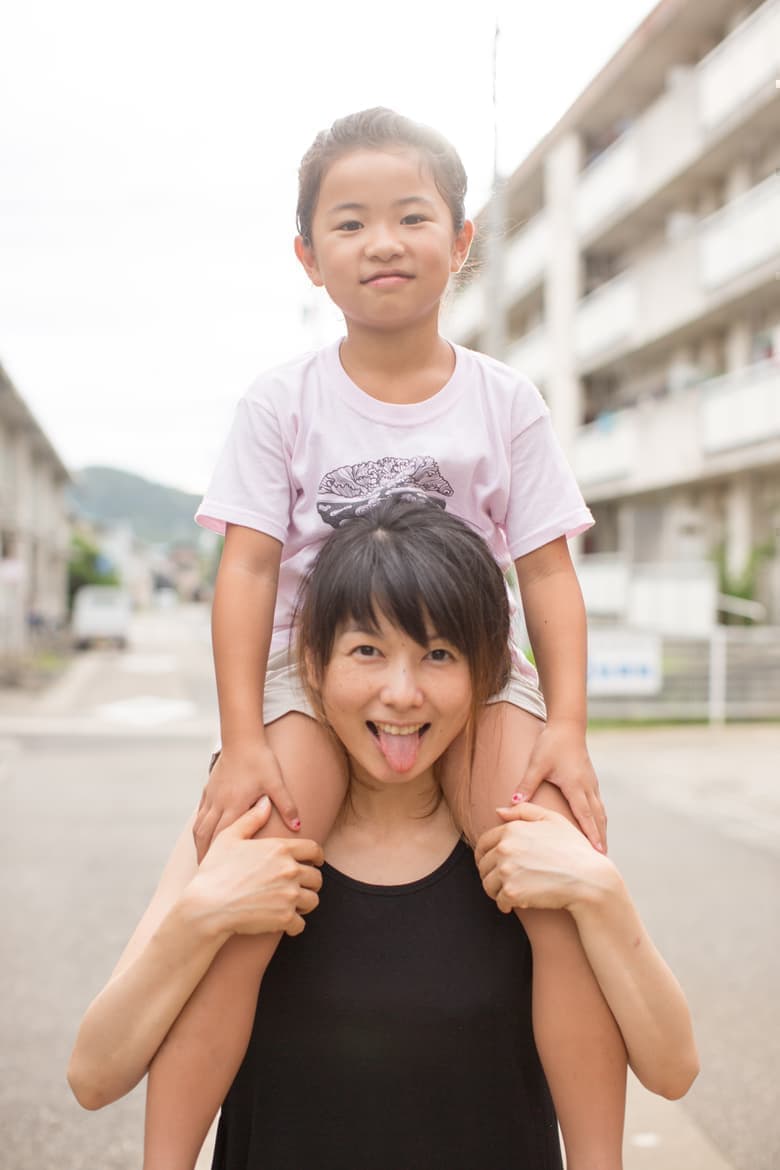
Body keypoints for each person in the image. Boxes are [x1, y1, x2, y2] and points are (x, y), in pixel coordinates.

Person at [68, 501, 698, 1170]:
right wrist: (199, 915)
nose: (402, 693)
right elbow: (93, 1076)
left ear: (486, 673)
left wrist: (601, 891)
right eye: (367, 651)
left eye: (438, 654)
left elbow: (672, 1070)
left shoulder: (524, 839)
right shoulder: (255, 834)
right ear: (313, 664)